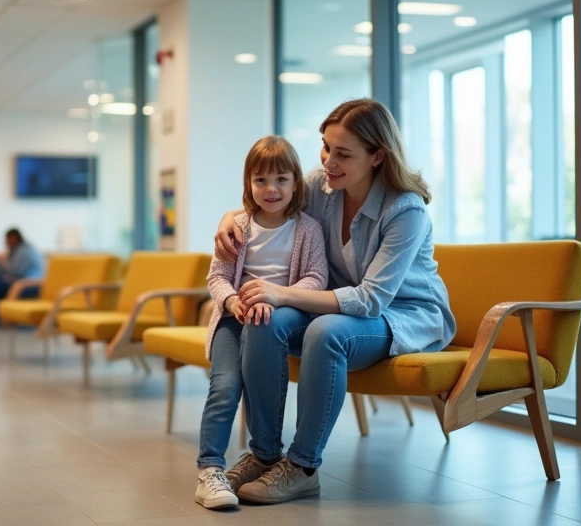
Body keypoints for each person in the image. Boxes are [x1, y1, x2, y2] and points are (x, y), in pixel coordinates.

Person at [213, 98, 456, 504]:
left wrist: (285, 293)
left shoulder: (406, 210)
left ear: (378, 156)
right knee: (263, 317)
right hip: (337, 307)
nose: (329, 161)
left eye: (343, 153)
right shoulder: (321, 187)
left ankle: (304, 466)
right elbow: (270, 202)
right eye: (326, 147)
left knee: (325, 333)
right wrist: (227, 218)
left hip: (400, 316)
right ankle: (265, 453)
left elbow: (371, 299)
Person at [194, 136, 328, 510]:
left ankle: (265, 455)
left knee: (259, 371)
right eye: (261, 180)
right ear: (248, 185)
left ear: (296, 183)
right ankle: (210, 471)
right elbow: (217, 277)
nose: (271, 189)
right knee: (225, 385)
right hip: (234, 318)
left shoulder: (308, 229)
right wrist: (235, 301)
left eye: (282, 180)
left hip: (280, 316)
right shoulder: (237, 226)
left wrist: (276, 296)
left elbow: (316, 277)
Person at [0, 228, 45, 328]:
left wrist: (3, 261)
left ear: (14, 238)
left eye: (8, 239)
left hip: (30, 285)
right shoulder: (17, 250)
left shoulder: (24, 250)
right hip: (21, 282)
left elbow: (15, 271)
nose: (6, 243)